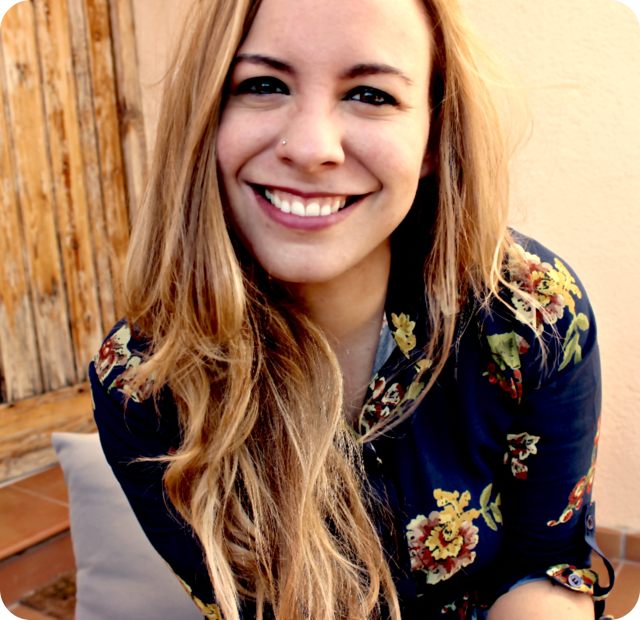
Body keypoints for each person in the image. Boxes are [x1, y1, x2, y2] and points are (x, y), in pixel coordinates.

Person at [90, 0, 615, 618]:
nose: (312, 148)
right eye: (263, 84)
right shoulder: (141, 381)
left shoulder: (533, 312)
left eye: (371, 95)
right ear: (205, 116)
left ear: (432, 137)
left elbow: (546, 563)